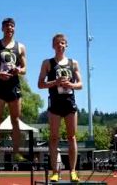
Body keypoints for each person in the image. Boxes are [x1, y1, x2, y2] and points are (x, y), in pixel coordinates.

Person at [38, 33, 82, 182]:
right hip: (55, 103)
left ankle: (73, 171)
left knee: (72, 137)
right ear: (53, 46)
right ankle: (55, 171)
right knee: (54, 138)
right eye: (57, 43)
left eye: (62, 43)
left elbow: (80, 85)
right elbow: (40, 84)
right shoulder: (47, 63)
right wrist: (55, 82)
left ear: (66, 45)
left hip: (69, 102)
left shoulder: (73, 63)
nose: (60, 45)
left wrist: (71, 85)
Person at [0, 17, 27, 162]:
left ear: (14, 29)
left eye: (12, 26)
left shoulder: (21, 46)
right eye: (7, 26)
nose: (10, 28)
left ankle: (16, 152)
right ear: (2, 28)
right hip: (0, 85)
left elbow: (25, 69)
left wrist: (18, 70)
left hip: (14, 85)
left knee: (16, 120)